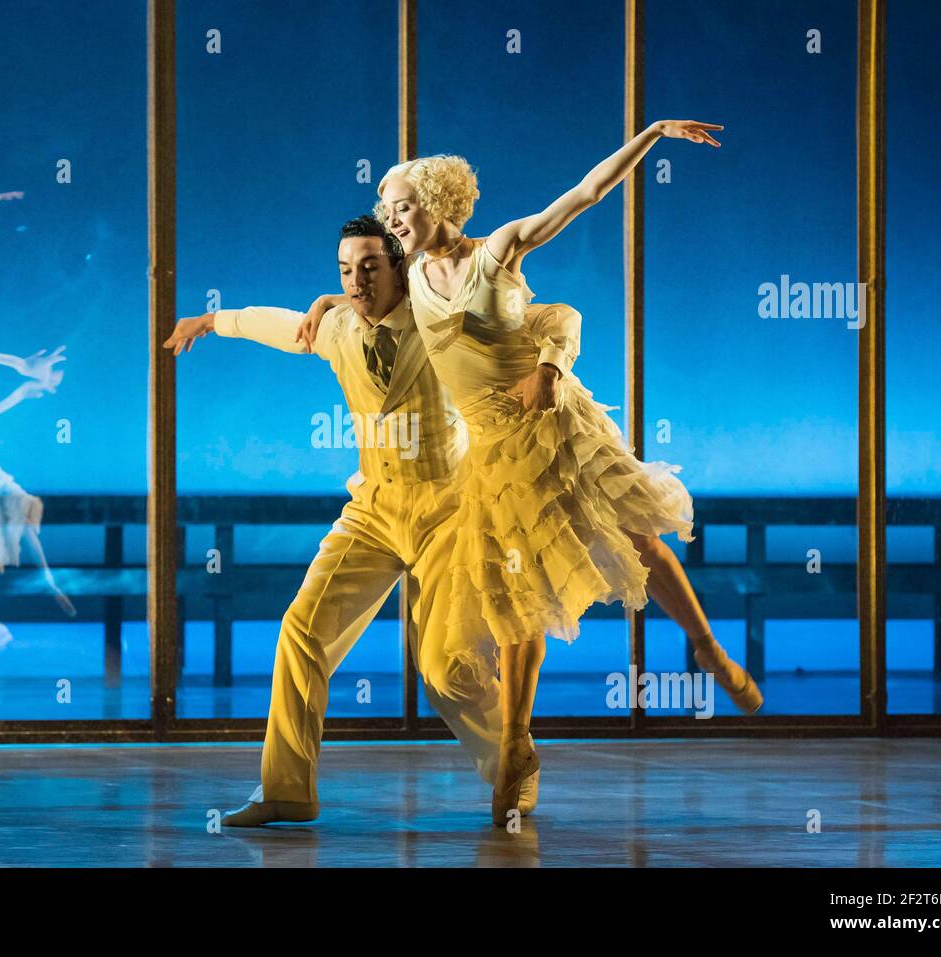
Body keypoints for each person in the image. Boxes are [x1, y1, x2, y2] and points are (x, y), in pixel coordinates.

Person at [303, 120, 762, 826]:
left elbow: (584, 195)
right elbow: (360, 304)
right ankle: (515, 744)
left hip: (556, 427)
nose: (393, 218)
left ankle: (703, 642)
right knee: (517, 592)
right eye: (387, 210)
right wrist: (326, 302)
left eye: (402, 204)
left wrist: (652, 135)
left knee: (637, 537)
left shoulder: (499, 250)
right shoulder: (410, 283)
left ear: (436, 201)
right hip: (494, 454)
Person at [164, 216, 572, 825]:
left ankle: (513, 762)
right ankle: (286, 789)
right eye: (344, 271)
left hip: (449, 509)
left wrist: (551, 367)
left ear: (400, 267)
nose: (355, 282)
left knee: (443, 669)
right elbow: (276, 326)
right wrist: (213, 321)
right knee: (301, 630)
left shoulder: (445, 323)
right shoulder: (335, 328)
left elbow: (556, 318)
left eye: (370, 268)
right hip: (374, 510)